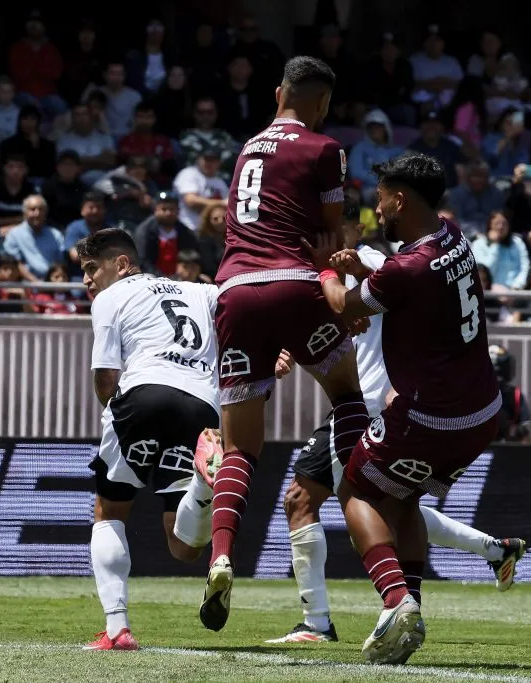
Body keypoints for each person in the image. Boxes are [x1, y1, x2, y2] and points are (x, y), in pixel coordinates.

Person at [267, 201, 527, 645]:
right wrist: (288, 345)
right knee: (394, 503)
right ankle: (492, 550)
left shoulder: (370, 260)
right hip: (365, 403)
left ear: (351, 228)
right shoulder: (317, 270)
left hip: (368, 405)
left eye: (330, 227)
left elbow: (391, 287)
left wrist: (350, 274)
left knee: (305, 500)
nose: (319, 236)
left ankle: (319, 623)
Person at [307, 152, 501, 663]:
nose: (376, 208)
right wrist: (359, 265)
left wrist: (330, 266)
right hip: (481, 412)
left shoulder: (408, 267)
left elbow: (346, 306)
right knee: (406, 498)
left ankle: (396, 603)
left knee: (355, 490)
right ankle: (409, 605)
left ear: (399, 198)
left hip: (429, 414)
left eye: (380, 198)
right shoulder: (452, 234)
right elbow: (396, 279)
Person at [203, 57, 368, 633]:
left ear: (278, 93)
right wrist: (335, 265)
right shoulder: (324, 148)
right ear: (321, 104)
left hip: (235, 292)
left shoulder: (246, 147)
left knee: (241, 448)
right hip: (295, 283)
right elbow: (328, 233)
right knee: (347, 394)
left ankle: (221, 553)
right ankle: (363, 495)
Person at [79, 228, 220, 650]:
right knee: (183, 547)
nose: (87, 281)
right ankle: (200, 485)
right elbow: (243, 319)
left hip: (144, 393)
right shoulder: (202, 292)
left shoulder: (110, 298)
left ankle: (117, 628)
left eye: (91, 269)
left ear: (122, 264)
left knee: (109, 509)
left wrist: (113, 412)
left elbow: (106, 378)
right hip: (202, 404)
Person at [490, 344, 531, 444]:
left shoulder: (515, 395)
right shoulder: (475, 395)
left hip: (506, 447)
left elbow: (524, 428)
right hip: (480, 450)